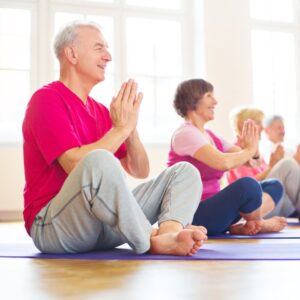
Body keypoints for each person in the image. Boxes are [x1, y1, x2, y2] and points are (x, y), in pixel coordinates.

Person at [22, 21, 208, 257]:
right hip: (53, 227)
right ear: (71, 54)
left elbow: (139, 170)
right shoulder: (46, 100)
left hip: (102, 225)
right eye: (99, 48)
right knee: (99, 160)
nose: (108, 56)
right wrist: (120, 128)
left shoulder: (101, 111)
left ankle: (169, 233)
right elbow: (74, 164)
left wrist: (130, 129)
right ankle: (150, 238)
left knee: (184, 171)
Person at [167, 79, 286, 236]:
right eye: (209, 95)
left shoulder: (210, 136)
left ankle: (242, 224)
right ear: (191, 101)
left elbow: (252, 162)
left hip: (217, 211)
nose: (215, 102)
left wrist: (253, 147)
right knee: (248, 186)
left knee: (274, 185)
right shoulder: (185, 134)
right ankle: (258, 222)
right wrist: (249, 150)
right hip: (193, 214)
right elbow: (223, 162)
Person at [227, 107, 300, 218]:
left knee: (289, 167)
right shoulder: (236, 150)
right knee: (288, 164)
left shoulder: (256, 151)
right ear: (244, 125)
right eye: (258, 123)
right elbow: (247, 185)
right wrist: (274, 166)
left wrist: (273, 165)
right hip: (254, 207)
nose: (262, 127)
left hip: (271, 201)